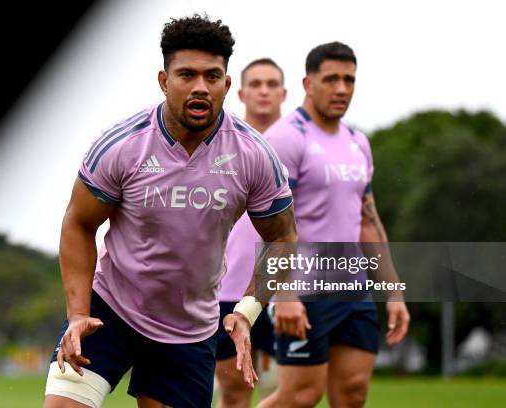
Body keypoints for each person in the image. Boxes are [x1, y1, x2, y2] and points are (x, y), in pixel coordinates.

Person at [43, 14, 300, 408]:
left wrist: (247, 311)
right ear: (164, 80)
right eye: (187, 75)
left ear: (227, 85)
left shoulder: (254, 155)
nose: (200, 87)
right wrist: (77, 314)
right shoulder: (121, 146)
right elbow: (78, 223)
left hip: (190, 329)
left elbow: (283, 238)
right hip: (110, 308)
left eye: (212, 77)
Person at [256, 42, 411, 408]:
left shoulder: (359, 142)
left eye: (349, 80)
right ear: (308, 83)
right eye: (331, 79)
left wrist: (393, 292)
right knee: (300, 396)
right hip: (303, 290)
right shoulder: (286, 137)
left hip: (352, 289)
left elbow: (368, 223)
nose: (342, 89)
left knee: (353, 394)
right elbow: (269, 225)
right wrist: (284, 294)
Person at [215, 58, 287, 408]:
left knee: (284, 390)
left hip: (288, 292)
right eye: (256, 84)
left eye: (271, 84)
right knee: (235, 391)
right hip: (230, 291)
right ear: (239, 91)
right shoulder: (225, 145)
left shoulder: (298, 144)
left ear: (284, 92)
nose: (263, 91)